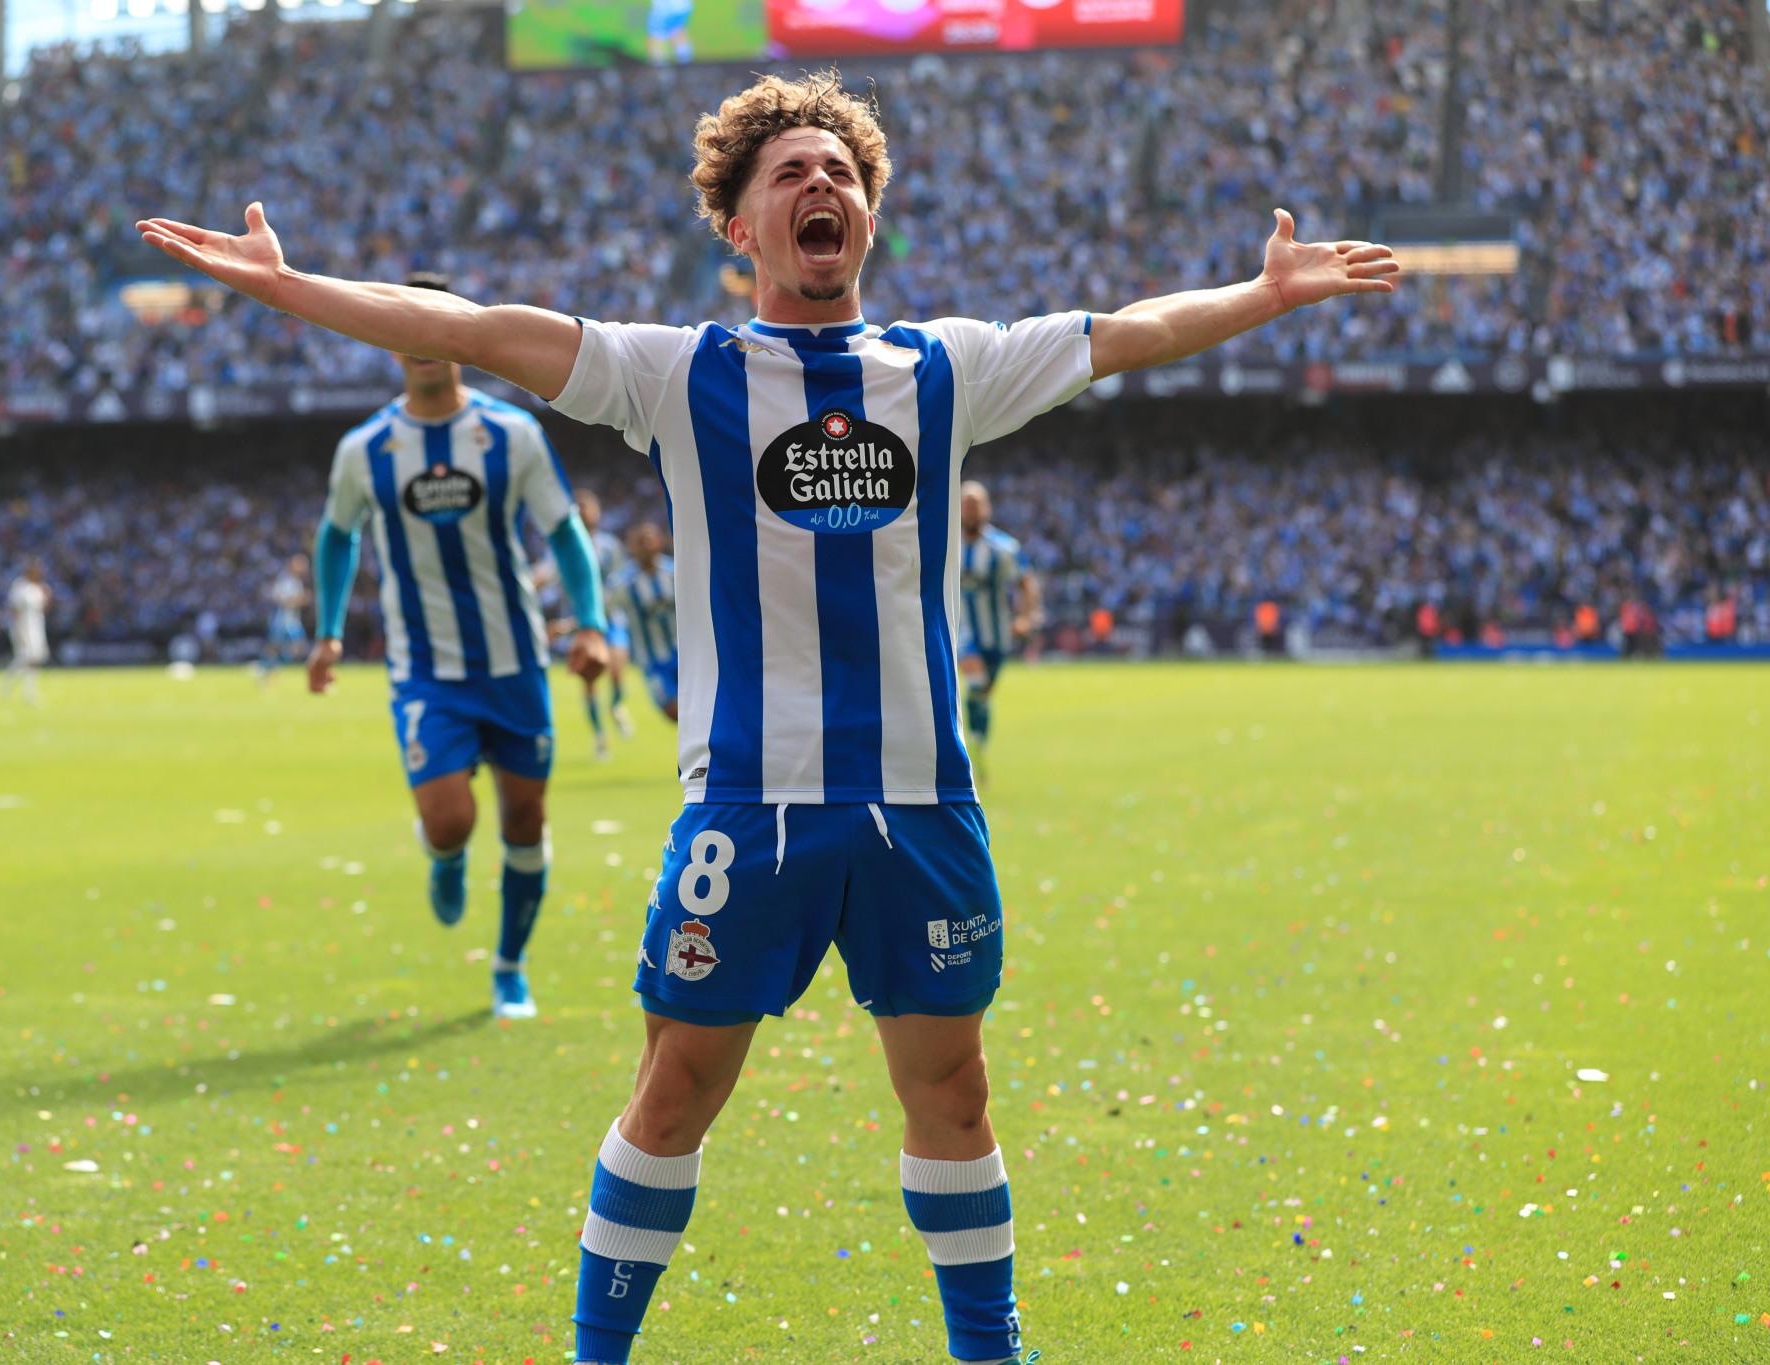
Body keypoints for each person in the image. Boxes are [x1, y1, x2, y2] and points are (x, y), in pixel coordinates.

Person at [139, 69, 1397, 1362]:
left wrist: (1262, 294)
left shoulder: (945, 367)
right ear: (738, 227)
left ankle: (991, 1350)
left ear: (866, 218)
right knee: (677, 1089)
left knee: (954, 1093)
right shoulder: (680, 375)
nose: (821, 186)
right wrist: (286, 285)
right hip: (752, 805)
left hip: (921, 805)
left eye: (840, 173)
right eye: (790, 172)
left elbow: (1131, 332)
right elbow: (474, 327)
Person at [302, 272, 610, 1021]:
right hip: (426, 673)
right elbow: (338, 536)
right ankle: (444, 858)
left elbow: (563, 530)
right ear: (391, 341)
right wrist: (330, 630)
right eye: (406, 326)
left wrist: (593, 621)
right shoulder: (365, 449)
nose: (423, 342)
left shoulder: (512, 434)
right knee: (450, 821)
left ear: (459, 334)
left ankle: (509, 966)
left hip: (514, 664)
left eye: (437, 323)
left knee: (524, 821)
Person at [541, 488, 636, 758]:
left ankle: (617, 706)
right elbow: (549, 574)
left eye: (587, 507)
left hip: (612, 618)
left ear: (597, 512)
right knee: (590, 678)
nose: (583, 512)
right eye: (578, 508)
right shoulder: (563, 547)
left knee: (617, 670)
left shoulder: (610, 545)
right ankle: (600, 736)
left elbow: (623, 578)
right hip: (580, 621)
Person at [957, 481, 1038, 772]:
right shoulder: (945, 543)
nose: (970, 510)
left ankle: (979, 740)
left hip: (998, 635)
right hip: (962, 630)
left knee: (984, 693)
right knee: (976, 681)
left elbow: (1027, 583)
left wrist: (1026, 617)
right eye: (965, 504)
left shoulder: (1003, 548)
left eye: (975, 504)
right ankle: (964, 748)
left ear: (986, 509)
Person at [611, 521, 678, 722]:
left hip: (687, 654)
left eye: (648, 540)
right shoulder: (622, 583)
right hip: (652, 660)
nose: (645, 546)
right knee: (673, 711)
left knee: (701, 707)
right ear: (630, 547)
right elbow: (604, 611)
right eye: (639, 542)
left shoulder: (676, 572)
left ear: (658, 542)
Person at [1, 562, 51, 704]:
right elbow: (14, 609)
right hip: (23, 627)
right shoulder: (20, 586)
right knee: (25, 657)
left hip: (37, 626)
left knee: (35, 659)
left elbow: (43, 609)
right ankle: (8, 684)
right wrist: (19, 630)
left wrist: (47, 596)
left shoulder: (38, 588)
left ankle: (28, 690)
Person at [257, 552, 311, 683]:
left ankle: (269, 669)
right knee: (276, 648)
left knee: (294, 648)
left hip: (292, 621)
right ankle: (265, 669)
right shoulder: (285, 579)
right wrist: (300, 600)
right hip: (282, 620)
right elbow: (280, 600)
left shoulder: (296, 581)